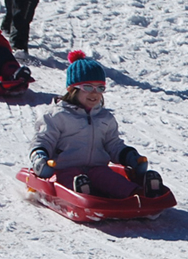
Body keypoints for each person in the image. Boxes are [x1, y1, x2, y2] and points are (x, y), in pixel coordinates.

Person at [28, 50, 164, 198]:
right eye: (87, 87)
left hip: (98, 169)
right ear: (71, 89)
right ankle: (83, 193)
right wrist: (39, 158)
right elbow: (44, 139)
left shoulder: (105, 117)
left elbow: (113, 144)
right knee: (71, 180)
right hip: (65, 169)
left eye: (100, 88)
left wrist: (129, 156)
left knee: (113, 181)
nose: (94, 93)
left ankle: (142, 193)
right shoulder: (57, 115)